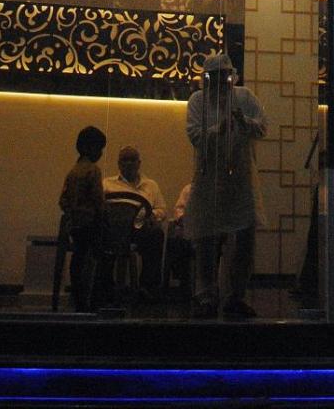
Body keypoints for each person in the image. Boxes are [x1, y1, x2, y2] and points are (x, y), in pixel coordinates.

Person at [184, 52, 267, 319]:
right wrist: (217, 130)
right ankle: (206, 295)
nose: (221, 83)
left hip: (241, 178)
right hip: (209, 177)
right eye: (216, 77)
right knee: (206, 239)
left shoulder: (245, 97)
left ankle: (236, 295)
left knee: (244, 240)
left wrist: (244, 122)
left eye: (225, 76)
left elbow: (263, 128)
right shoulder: (198, 101)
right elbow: (194, 135)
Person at [102, 145, 167, 293]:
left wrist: (152, 215)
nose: (129, 163)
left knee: (156, 234)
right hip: (112, 231)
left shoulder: (151, 185)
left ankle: (148, 287)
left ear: (139, 163)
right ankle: (105, 285)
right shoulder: (106, 184)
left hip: (139, 231)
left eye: (132, 159)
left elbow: (162, 209)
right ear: (118, 164)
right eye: (125, 160)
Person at [58, 125, 107, 313]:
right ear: (92, 148)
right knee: (93, 261)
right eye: (100, 148)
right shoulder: (93, 171)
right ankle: (92, 300)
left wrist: (72, 213)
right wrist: (103, 216)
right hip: (91, 223)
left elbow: (63, 200)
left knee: (78, 258)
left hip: (76, 224)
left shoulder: (72, 171)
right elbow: (98, 199)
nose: (101, 153)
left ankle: (78, 298)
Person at [165, 181, 195, 299]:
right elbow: (179, 210)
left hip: (213, 232)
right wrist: (183, 219)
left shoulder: (222, 189)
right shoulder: (189, 189)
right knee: (177, 239)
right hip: (192, 228)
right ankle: (183, 282)